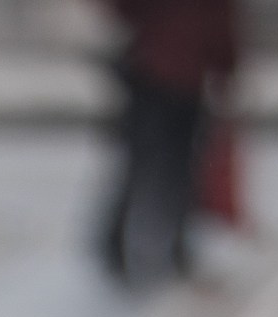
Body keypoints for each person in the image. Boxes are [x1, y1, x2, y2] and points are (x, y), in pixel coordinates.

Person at [98, 0, 242, 286]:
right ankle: (141, 247)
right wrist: (226, 67)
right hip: (170, 76)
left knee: (158, 168)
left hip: (160, 73)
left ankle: (141, 247)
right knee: (169, 169)